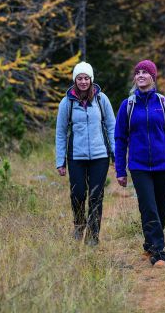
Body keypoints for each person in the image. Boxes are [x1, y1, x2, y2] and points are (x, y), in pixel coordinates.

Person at [114, 59, 165, 267]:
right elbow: (120, 139)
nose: (141, 75)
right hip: (139, 166)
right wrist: (120, 170)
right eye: (138, 72)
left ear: (153, 77)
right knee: (149, 207)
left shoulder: (163, 103)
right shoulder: (128, 105)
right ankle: (159, 253)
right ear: (135, 78)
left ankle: (149, 243)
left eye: (145, 72)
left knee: (161, 207)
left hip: (163, 165)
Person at [55, 61, 116, 246]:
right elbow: (60, 132)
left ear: (91, 79)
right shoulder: (67, 102)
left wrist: (115, 153)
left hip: (100, 156)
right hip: (76, 157)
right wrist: (60, 161)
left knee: (96, 196)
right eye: (79, 78)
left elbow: (111, 126)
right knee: (78, 194)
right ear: (75, 80)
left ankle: (93, 236)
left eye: (86, 78)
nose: (83, 81)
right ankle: (79, 225)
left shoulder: (101, 99)